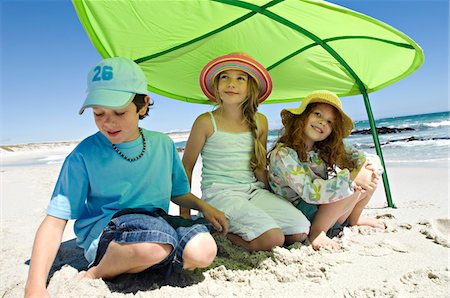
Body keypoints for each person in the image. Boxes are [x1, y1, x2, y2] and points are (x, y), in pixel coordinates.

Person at [24, 57, 228, 297]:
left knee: (203, 251)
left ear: (143, 106)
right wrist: (34, 286)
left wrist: (204, 206)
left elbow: (178, 193)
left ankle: (152, 260)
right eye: (98, 113)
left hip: (158, 223)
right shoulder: (83, 156)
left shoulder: (163, 144)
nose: (108, 122)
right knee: (154, 247)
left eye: (119, 112)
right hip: (110, 232)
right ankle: (96, 272)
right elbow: (55, 221)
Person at [180, 53, 310, 252]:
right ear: (216, 86)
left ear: (250, 89)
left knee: (300, 230)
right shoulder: (206, 122)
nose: (231, 83)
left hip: (253, 191)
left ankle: (246, 225)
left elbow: (258, 167)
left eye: (240, 78)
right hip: (220, 194)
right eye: (225, 77)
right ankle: (215, 229)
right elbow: (186, 168)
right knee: (273, 238)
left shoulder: (260, 122)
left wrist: (277, 194)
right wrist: (185, 216)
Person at [268, 90, 385, 251]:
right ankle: (317, 232)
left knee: (367, 175)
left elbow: (364, 157)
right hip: (300, 211)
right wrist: (350, 179)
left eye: (330, 122)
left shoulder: (322, 149)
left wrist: (368, 168)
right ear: (302, 117)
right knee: (351, 184)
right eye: (317, 114)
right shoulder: (283, 154)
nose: (323, 122)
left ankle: (354, 218)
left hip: (326, 211)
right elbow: (310, 192)